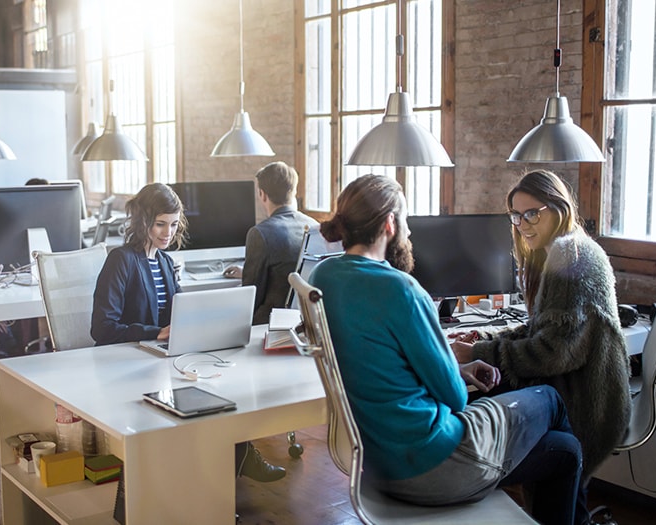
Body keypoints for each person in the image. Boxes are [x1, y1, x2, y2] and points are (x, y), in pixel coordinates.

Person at [310, 175, 583, 524]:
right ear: (390, 224)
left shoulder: (322, 277)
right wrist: (455, 369)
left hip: (370, 467)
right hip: (434, 468)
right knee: (551, 399)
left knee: (564, 449)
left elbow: (380, 362)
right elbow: (454, 398)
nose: (409, 234)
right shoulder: (403, 290)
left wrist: (458, 367)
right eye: (406, 222)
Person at [90, 183, 286, 483]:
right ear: (143, 221)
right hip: (127, 363)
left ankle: (231, 464)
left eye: (172, 224)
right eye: (160, 224)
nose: (167, 233)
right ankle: (226, 469)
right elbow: (102, 328)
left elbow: (181, 314)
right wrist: (158, 332)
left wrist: (201, 323)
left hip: (160, 358)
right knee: (204, 399)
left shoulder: (166, 263)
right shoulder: (121, 260)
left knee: (221, 391)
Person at [450, 170, 631, 482]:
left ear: (559, 208)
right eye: (516, 216)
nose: (522, 225)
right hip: (575, 392)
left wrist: (478, 352)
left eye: (532, 213)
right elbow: (543, 330)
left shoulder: (570, 255)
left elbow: (554, 353)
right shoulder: (559, 250)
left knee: (467, 412)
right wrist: (484, 337)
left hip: (588, 405)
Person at [226, 162, 318, 325]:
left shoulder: (260, 233)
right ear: (294, 191)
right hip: (308, 322)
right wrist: (247, 270)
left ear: (262, 194)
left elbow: (251, 295)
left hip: (270, 324)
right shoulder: (315, 227)